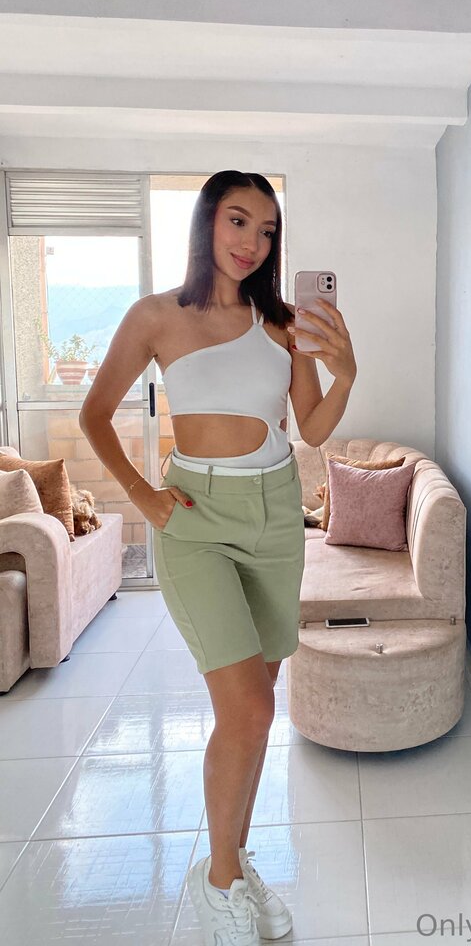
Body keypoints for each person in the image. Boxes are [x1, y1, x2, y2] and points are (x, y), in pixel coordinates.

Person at [79, 170, 357, 946]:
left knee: (255, 709)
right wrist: (142, 496)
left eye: (267, 230)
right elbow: (94, 414)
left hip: (274, 516)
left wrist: (346, 373)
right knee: (250, 710)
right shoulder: (156, 316)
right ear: (207, 221)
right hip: (195, 520)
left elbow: (313, 427)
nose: (251, 242)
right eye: (238, 220)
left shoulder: (282, 323)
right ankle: (220, 882)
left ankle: (233, 859)